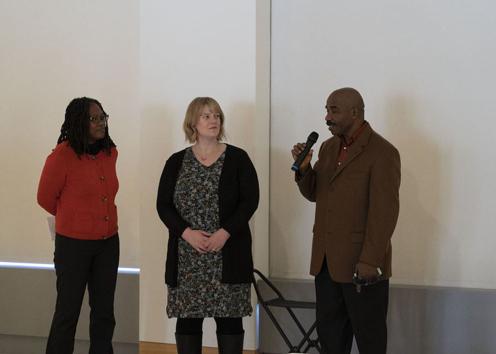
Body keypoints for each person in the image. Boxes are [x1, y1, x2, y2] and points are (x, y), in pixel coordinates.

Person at [291, 88, 401, 354]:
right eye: (326, 109)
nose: (327, 116)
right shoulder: (328, 148)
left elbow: (384, 213)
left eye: (333, 110)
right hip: (326, 264)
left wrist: (370, 261)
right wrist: (304, 168)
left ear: (355, 112)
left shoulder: (382, 152)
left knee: (369, 340)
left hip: (361, 267)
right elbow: (315, 193)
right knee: (331, 341)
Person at [157, 97, 259, 354]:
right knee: (188, 320)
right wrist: (186, 233)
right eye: (206, 116)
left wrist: (224, 233)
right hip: (188, 257)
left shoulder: (238, 158)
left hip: (228, 252)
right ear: (193, 122)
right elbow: (163, 205)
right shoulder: (176, 162)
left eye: (217, 116)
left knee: (230, 320)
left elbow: (250, 201)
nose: (213, 120)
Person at [37, 97, 119, 354]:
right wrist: (75, 218)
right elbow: (45, 198)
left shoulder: (110, 152)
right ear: (78, 122)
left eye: (102, 116)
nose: (100, 123)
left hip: (108, 243)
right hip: (73, 246)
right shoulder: (62, 155)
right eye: (93, 118)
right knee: (67, 313)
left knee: (104, 313)